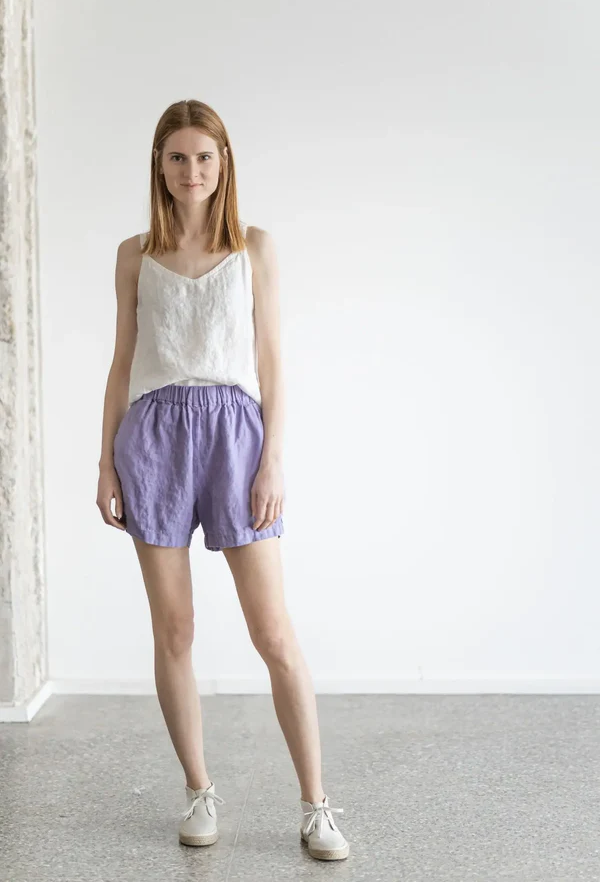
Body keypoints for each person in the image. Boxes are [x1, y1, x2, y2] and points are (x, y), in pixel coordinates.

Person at [95, 100, 349, 861]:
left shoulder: (253, 248)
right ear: (159, 165)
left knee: (273, 633)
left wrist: (273, 460)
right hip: (153, 437)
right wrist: (105, 461)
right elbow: (121, 362)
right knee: (175, 630)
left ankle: (316, 805)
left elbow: (271, 362)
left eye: (204, 157)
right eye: (177, 157)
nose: (192, 171)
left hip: (236, 437)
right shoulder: (134, 255)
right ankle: (199, 789)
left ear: (224, 162)